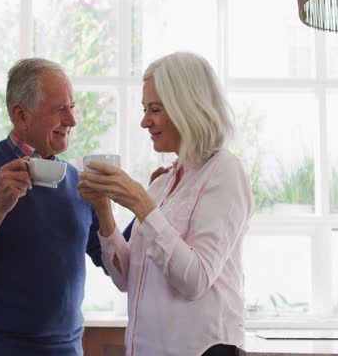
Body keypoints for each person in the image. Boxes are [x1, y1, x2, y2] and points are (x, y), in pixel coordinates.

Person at [78, 51, 254, 356]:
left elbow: (195, 280)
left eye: (155, 109)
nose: (145, 121)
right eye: (145, 109)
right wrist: (103, 208)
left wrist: (140, 203)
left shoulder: (225, 171)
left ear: (187, 106)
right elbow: (125, 280)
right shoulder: (163, 183)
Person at [0, 58, 105, 356]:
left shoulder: (78, 181)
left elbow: (116, 261)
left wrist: (152, 200)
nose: (72, 120)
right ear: (21, 114)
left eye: (72, 107)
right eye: (59, 109)